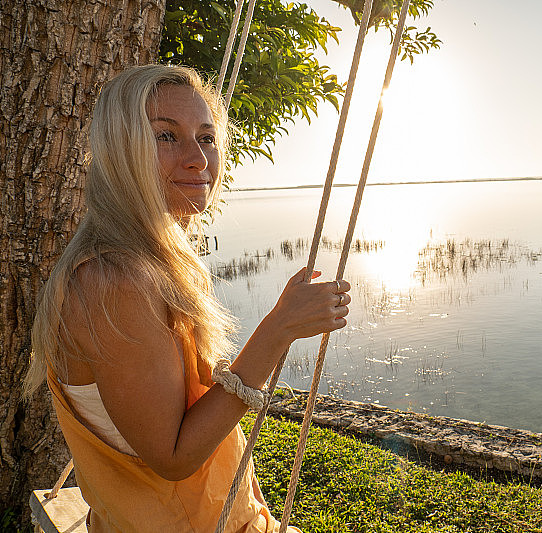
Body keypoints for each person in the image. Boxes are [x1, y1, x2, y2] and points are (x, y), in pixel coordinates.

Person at [23, 64, 351, 532]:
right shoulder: (115, 283)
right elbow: (174, 457)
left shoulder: (139, 261)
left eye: (206, 136)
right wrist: (279, 328)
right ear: (121, 152)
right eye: (166, 136)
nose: (199, 158)